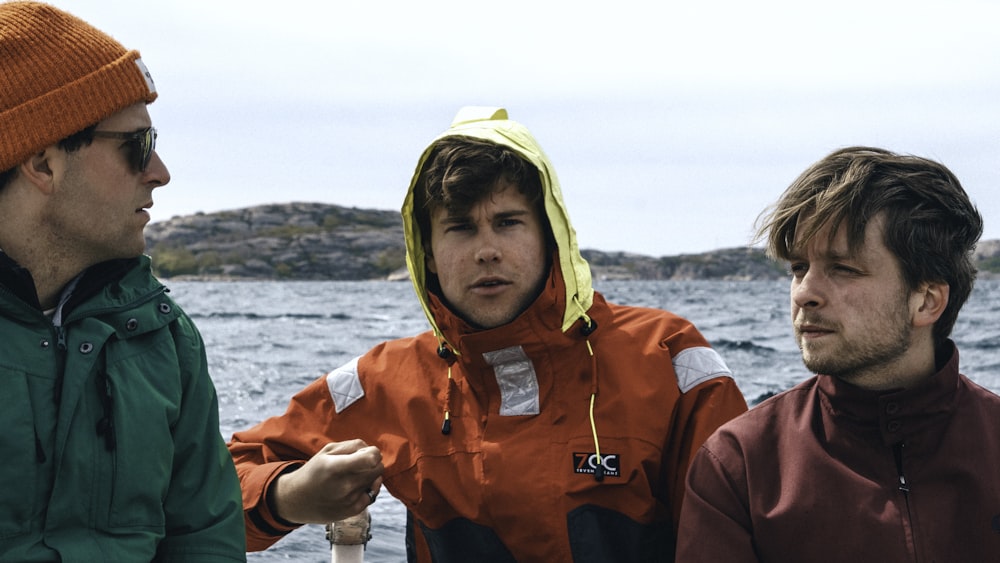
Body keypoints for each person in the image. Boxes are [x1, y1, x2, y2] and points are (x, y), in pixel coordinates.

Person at [228, 106, 749, 561]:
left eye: (507, 223)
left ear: (550, 235)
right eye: (460, 227)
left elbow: (741, 533)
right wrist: (287, 496)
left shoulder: (668, 358)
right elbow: (216, 485)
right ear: (427, 251)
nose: (486, 250)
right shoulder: (385, 381)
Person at [0, 2, 245, 561]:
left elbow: (203, 541)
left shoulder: (163, 337)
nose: (160, 172)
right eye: (136, 146)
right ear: (42, 163)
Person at [676, 146, 1000, 562]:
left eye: (843, 268)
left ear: (926, 301)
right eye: (798, 268)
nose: (805, 292)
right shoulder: (740, 465)